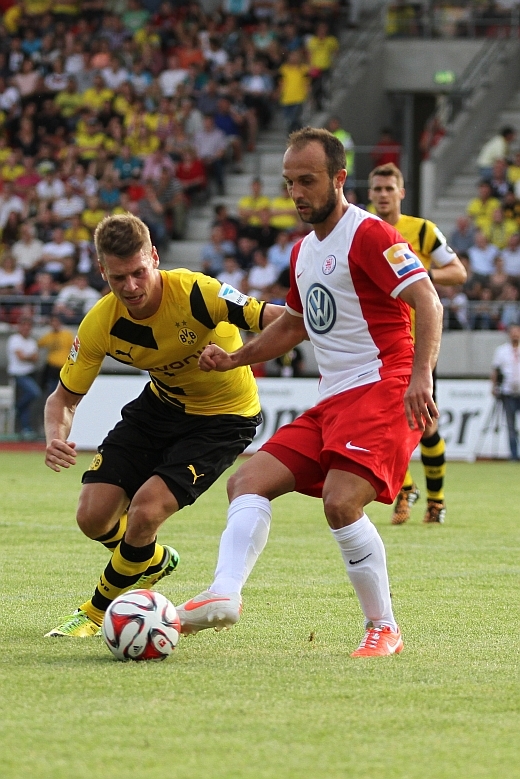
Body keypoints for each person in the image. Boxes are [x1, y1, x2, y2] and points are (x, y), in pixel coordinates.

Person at [176, 127, 443, 657]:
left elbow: (428, 301)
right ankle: (224, 593)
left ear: (339, 179)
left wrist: (422, 376)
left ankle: (384, 627)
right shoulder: (302, 251)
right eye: (289, 182)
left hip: (385, 385)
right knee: (247, 481)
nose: (296, 193)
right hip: (333, 398)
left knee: (341, 502)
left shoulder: (371, 235)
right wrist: (234, 358)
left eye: (307, 181)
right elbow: (295, 324)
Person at [43, 213, 282, 638]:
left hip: (224, 419)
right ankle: (148, 560)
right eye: (119, 278)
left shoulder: (198, 292)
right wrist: (55, 436)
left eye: (139, 272)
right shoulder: (101, 323)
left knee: (146, 511)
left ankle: (96, 612)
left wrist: (239, 357)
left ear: (154, 257)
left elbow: (278, 319)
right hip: (161, 406)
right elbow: (63, 398)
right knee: (92, 517)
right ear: (102, 271)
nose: (131, 287)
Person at [368, 162, 466, 525]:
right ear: (369, 194)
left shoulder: (422, 231)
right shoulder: (361, 231)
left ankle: (435, 502)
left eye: (388, 189)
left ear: (401, 193)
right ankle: (405, 489)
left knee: (425, 424)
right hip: (375, 346)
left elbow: (458, 272)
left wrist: (422, 274)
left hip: (417, 343)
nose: (382, 195)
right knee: (382, 425)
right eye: (377, 189)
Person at [6, 315, 42, 440]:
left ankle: (26, 428)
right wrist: (29, 357)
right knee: (34, 393)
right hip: (18, 375)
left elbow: (36, 358)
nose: (26, 329)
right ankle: (18, 408)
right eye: (24, 326)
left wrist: (27, 357)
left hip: (29, 374)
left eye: (28, 326)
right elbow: (20, 357)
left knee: (28, 404)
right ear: (20, 327)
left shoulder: (31, 341)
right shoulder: (15, 339)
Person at [491, 323, 520, 460]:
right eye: (513, 332)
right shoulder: (502, 351)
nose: (515, 335)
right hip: (508, 393)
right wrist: (493, 386)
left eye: (517, 332)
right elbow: (495, 370)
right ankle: (514, 455)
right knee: (510, 425)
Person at [37, 314, 74, 397]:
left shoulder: (67, 335)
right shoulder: (48, 336)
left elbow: (73, 349)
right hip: (52, 367)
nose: (54, 324)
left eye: (56, 322)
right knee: (52, 389)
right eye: (52, 322)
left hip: (63, 367)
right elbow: (38, 345)